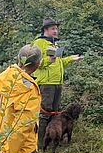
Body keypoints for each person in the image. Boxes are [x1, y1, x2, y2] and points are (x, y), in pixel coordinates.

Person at [32, 18, 83, 146]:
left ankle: (51, 141)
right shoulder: (38, 43)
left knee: (54, 113)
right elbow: (35, 63)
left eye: (56, 28)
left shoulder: (55, 44)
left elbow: (59, 62)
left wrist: (72, 59)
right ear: (46, 30)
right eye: (53, 29)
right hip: (46, 83)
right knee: (44, 113)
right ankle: (39, 144)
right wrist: (49, 60)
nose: (56, 31)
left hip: (57, 83)